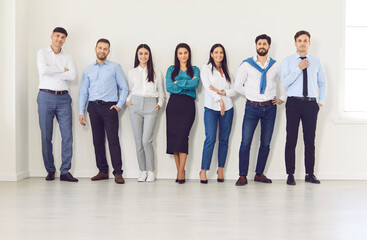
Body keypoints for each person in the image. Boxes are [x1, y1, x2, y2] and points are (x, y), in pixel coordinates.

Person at [234, 34, 286, 186]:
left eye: (264, 43)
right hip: (252, 107)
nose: (262, 46)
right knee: (246, 142)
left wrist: (282, 97)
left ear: (269, 46)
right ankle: (242, 175)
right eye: (259, 43)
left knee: (266, 142)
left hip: (270, 108)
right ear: (256, 46)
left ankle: (259, 173)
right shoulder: (247, 64)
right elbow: (238, 85)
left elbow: (285, 83)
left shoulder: (276, 65)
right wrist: (252, 95)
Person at [78, 38, 129, 184]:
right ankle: (102, 171)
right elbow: (83, 92)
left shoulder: (115, 67)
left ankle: (118, 172)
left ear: (108, 51)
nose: (102, 51)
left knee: (113, 140)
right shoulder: (88, 69)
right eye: (100, 48)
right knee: (97, 141)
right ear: (95, 49)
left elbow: (124, 88)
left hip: (110, 107)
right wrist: (81, 111)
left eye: (105, 48)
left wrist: (119, 106)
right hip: (93, 107)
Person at [281, 30, 327, 185]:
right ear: (295, 43)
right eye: (299, 40)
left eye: (305, 40)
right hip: (293, 103)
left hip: (311, 104)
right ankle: (290, 174)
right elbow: (284, 83)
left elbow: (323, 83)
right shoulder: (288, 61)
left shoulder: (317, 61)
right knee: (291, 139)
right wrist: (298, 68)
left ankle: (310, 173)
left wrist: (320, 102)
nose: (302, 43)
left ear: (309, 43)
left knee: (310, 140)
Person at [37, 27, 78, 182]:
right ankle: (50, 170)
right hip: (45, 96)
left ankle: (65, 171)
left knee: (67, 136)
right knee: (46, 136)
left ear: (65, 40)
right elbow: (43, 70)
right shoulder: (42, 53)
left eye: (62, 37)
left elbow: (73, 75)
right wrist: (62, 70)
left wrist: (52, 70)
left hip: (63, 98)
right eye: (57, 36)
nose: (59, 39)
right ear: (52, 36)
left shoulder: (68, 56)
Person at [126, 44, 165, 182]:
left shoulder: (155, 71)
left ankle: (151, 171)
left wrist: (159, 105)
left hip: (151, 106)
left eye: (146, 54)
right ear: (137, 55)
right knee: (138, 141)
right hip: (135, 106)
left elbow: (161, 91)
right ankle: (142, 171)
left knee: (146, 140)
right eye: (141, 53)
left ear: (149, 56)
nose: (143, 56)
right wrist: (128, 100)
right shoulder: (132, 72)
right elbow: (130, 90)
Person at [199, 44, 236, 184]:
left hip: (228, 109)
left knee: (224, 140)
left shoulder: (227, 72)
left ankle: (220, 169)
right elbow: (208, 88)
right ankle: (203, 170)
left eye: (221, 53)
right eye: (216, 52)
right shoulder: (206, 69)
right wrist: (219, 99)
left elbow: (234, 91)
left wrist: (221, 92)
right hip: (211, 108)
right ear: (211, 54)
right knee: (210, 139)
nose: (219, 55)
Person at [166, 43, 200, 184]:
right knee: (174, 137)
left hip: (188, 105)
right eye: (180, 53)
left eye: (185, 53)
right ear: (177, 55)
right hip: (173, 105)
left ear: (189, 54)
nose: (183, 55)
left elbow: (195, 85)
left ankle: (181, 171)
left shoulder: (195, 69)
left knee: (183, 136)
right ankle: (179, 170)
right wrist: (186, 84)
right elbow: (169, 87)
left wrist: (178, 83)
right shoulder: (171, 69)